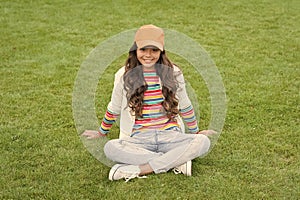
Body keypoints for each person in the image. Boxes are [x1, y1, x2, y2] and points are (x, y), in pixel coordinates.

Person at [82, 24, 214, 182]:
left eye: (154, 50)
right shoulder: (123, 76)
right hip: (139, 140)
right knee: (110, 148)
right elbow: (114, 108)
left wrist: (196, 132)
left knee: (203, 142)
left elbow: (185, 106)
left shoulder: (174, 73)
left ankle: (141, 169)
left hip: (170, 136)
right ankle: (176, 162)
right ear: (135, 50)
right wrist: (101, 132)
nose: (148, 55)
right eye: (143, 49)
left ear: (161, 52)